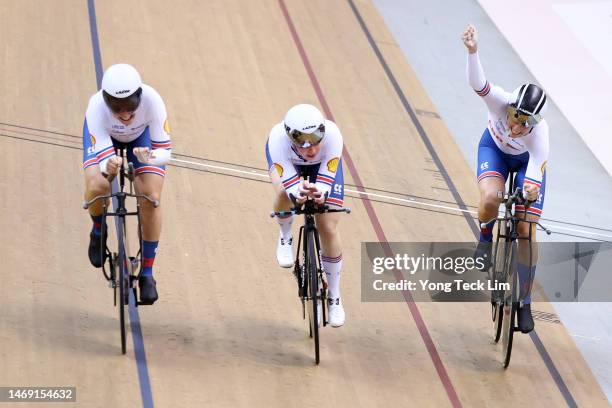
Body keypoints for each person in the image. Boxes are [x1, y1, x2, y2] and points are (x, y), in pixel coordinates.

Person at [462, 25, 549, 333]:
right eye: (514, 116)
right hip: (494, 150)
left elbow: (538, 166)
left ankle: (524, 301)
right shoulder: (500, 101)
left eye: (524, 123)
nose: (515, 124)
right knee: (489, 199)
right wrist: (473, 52)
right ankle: (485, 240)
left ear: (535, 123)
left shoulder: (540, 136)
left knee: (526, 229)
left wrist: (530, 188)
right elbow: (478, 83)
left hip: (527, 164)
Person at [82, 63, 172, 304]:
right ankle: (98, 230)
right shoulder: (96, 107)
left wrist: (149, 157)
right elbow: (102, 162)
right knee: (97, 187)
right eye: (116, 108)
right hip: (106, 142)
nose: (124, 114)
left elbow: (165, 152)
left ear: (139, 97)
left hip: (141, 141)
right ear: (106, 101)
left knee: (151, 198)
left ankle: (147, 273)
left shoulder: (153, 101)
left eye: (130, 106)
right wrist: (109, 167)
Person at [265, 104, 346, 327]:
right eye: (302, 143)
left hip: (322, 168)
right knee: (284, 193)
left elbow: (326, 180)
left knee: (328, 226)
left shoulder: (333, 136)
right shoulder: (277, 140)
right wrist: (297, 193)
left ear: (322, 131)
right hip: (289, 165)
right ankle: (285, 234)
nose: (310, 149)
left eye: (316, 140)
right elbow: (290, 187)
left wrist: (320, 192)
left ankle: (334, 296)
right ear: (290, 138)